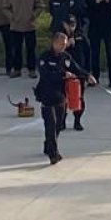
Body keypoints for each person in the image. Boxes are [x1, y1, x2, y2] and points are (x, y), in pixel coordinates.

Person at [34, 32, 95, 165]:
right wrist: (63, 74)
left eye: (65, 44)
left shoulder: (66, 57)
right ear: (54, 43)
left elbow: (76, 68)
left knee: (58, 125)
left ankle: (48, 146)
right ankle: (53, 154)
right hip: (47, 96)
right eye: (61, 44)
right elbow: (46, 74)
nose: (63, 46)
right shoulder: (44, 57)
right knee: (50, 125)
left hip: (60, 96)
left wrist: (87, 75)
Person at [3, 0, 43, 79]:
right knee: (16, 49)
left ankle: (32, 69)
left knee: (31, 48)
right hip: (16, 26)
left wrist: (33, 15)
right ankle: (17, 69)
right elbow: (5, 7)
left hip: (30, 25)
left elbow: (40, 6)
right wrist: (11, 16)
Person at [61, 15, 92, 131]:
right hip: (64, 72)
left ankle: (77, 121)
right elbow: (53, 52)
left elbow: (88, 55)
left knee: (78, 98)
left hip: (79, 73)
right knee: (63, 98)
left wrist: (88, 73)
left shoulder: (81, 37)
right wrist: (65, 45)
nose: (71, 27)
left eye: (73, 25)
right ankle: (62, 121)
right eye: (69, 25)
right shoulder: (60, 37)